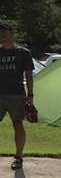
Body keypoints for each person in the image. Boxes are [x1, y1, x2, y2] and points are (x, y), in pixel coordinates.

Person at [0, 22, 35, 170]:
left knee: (18, 124)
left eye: (4, 32)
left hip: (16, 95)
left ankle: (18, 157)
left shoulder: (23, 53)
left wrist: (30, 94)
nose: (2, 35)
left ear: (12, 33)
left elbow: (29, 75)